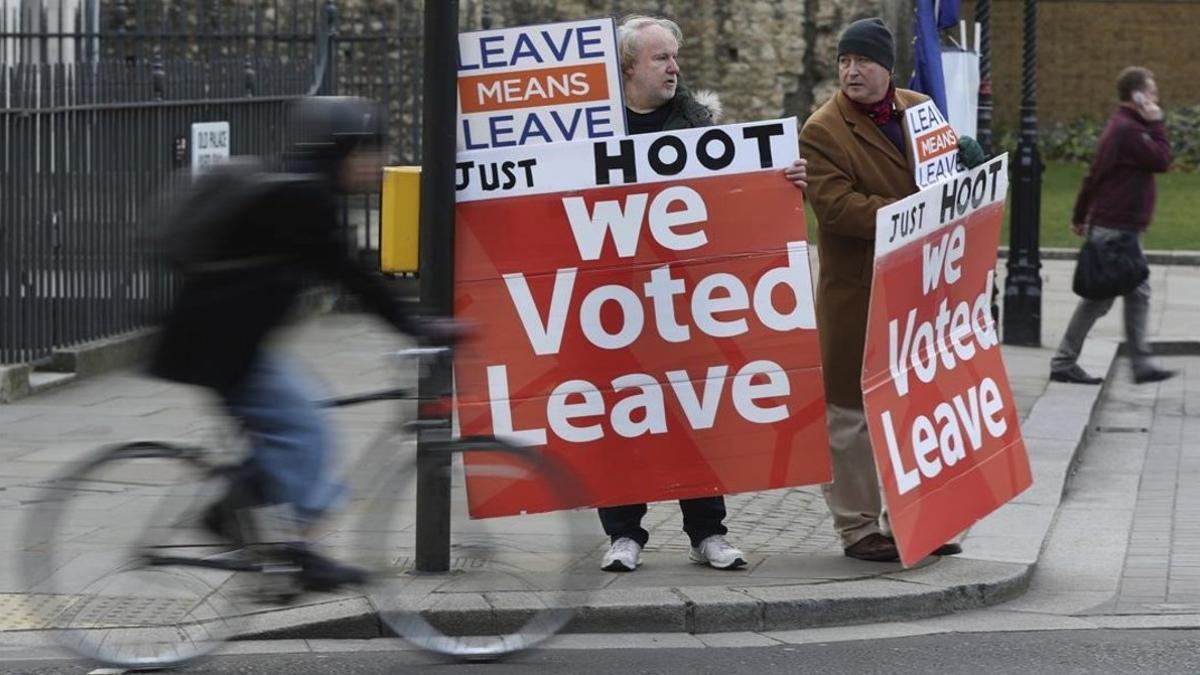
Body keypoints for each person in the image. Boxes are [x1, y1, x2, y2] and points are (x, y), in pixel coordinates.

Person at [149, 96, 456, 591]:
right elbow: (351, 275)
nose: (380, 163)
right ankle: (288, 548)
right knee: (307, 430)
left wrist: (412, 322)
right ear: (347, 152)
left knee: (296, 420)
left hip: (225, 343)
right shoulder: (303, 198)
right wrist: (421, 327)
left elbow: (345, 271)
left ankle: (255, 530)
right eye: (373, 150)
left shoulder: (301, 189)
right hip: (222, 349)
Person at [597, 15, 808, 573]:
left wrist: (780, 183)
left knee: (696, 413)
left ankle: (707, 532)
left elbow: (732, 202)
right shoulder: (591, 131)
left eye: (675, 56)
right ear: (627, 68)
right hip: (613, 301)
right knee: (619, 416)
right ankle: (623, 534)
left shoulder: (701, 127)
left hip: (688, 300)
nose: (675, 67)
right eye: (661, 58)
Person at [799, 17, 962, 563]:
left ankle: (920, 518)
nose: (851, 71)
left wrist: (968, 173)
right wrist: (914, 214)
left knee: (915, 405)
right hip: (857, 293)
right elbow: (835, 208)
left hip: (918, 290)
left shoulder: (920, 110)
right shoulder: (822, 129)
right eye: (844, 62)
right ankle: (859, 527)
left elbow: (945, 177)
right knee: (849, 416)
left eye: (863, 61)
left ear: (887, 68)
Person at [1049, 67, 1175, 386]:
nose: (1156, 98)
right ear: (1138, 95)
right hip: (1116, 228)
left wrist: (1080, 215)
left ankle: (1079, 360)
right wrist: (1157, 121)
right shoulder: (1129, 131)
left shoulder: (1126, 127)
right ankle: (1130, 363)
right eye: (1152, 92)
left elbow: (1094, 175)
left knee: (1117, 295)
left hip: (1116, 226)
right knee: (1116, 294)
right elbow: (1162, 160)